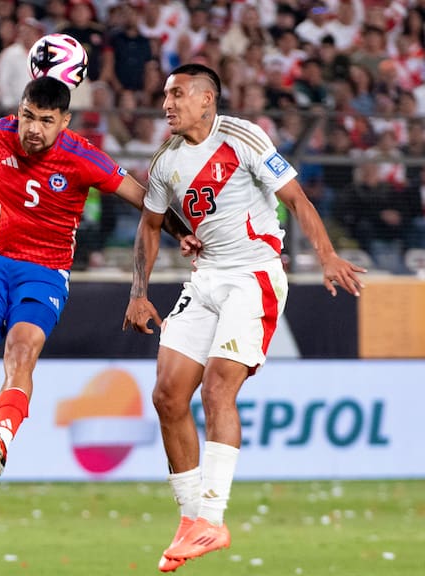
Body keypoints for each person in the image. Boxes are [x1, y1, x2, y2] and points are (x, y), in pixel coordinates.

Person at [121, 64, 365, 572]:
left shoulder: (243, 135)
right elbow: (149, 224)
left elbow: (294, 199)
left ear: (208, 99)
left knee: (216, 391)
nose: (167, 104)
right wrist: (139, 293)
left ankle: (212, 516)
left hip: (253, 275)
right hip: (205, 277)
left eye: (178, 94)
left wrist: (325, 256)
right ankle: (194, 523)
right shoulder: (166, 161)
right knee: (167, 395)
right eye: (165, 95)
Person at [0, 76, 150, 501]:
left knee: (21, 349)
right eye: (27, 117)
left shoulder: (84, 158)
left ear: (65, 122)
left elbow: (145, 200)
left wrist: (188, 232)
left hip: (44, 272)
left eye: (46, 121)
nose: (33, 129)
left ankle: (2, 437)